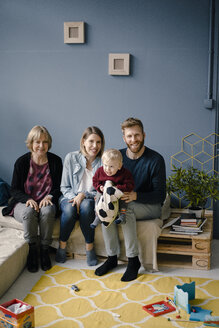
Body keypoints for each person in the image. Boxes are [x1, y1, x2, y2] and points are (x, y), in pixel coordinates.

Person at [95, 117, 166, 281]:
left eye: (137, 135)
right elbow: (102, 180)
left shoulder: (155, 160)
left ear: (144, 135)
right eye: (129, 136)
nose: (133, 140)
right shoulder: (116, 157)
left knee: (126, 209)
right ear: (124, 138)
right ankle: (112, 257)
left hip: (150, 205)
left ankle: (133, 261)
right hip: (121, 200)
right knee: (106, 205)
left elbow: (160, 195)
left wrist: (136, 195)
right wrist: (101, 193)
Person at [2, 126, 63, 273]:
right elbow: (14, 189)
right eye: (37, 142)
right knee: (29, 212)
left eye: (45, 142)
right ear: (31, 143)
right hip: (23, 203)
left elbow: (60, 187)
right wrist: (27, 199)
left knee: (47, 211)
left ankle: (44, 250)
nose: (41, 146)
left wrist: (50, 196)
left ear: (49, 143)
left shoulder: (55, 161)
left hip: (46, 201)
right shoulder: (22, 162)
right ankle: (32, 251)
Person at [55, 126, 105, 266]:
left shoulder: (103, 162)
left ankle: (90, 248)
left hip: (89, 199)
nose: (95, 146)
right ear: (83, 141)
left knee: (87, 205)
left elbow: (101, 190)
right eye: (91, 141)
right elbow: (64, 187)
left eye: (99, 142)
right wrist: (75, 197)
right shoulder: (71, 158)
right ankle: (62, 246)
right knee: (70, 209)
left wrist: (83, 195)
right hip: (68, 196)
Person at [91, 148, 134, 228]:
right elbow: (95, 181)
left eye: (111, 166)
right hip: (103, 191)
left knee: (124, 197)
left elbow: (130, 185)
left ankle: (122, 215)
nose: (107, 169)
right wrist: (99, 187)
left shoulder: (125, 173)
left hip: (117, 193)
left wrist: (118, 188)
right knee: (97, 197)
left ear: (119, 166)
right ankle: (97, 216)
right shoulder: (100, 171)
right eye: (105, 165)